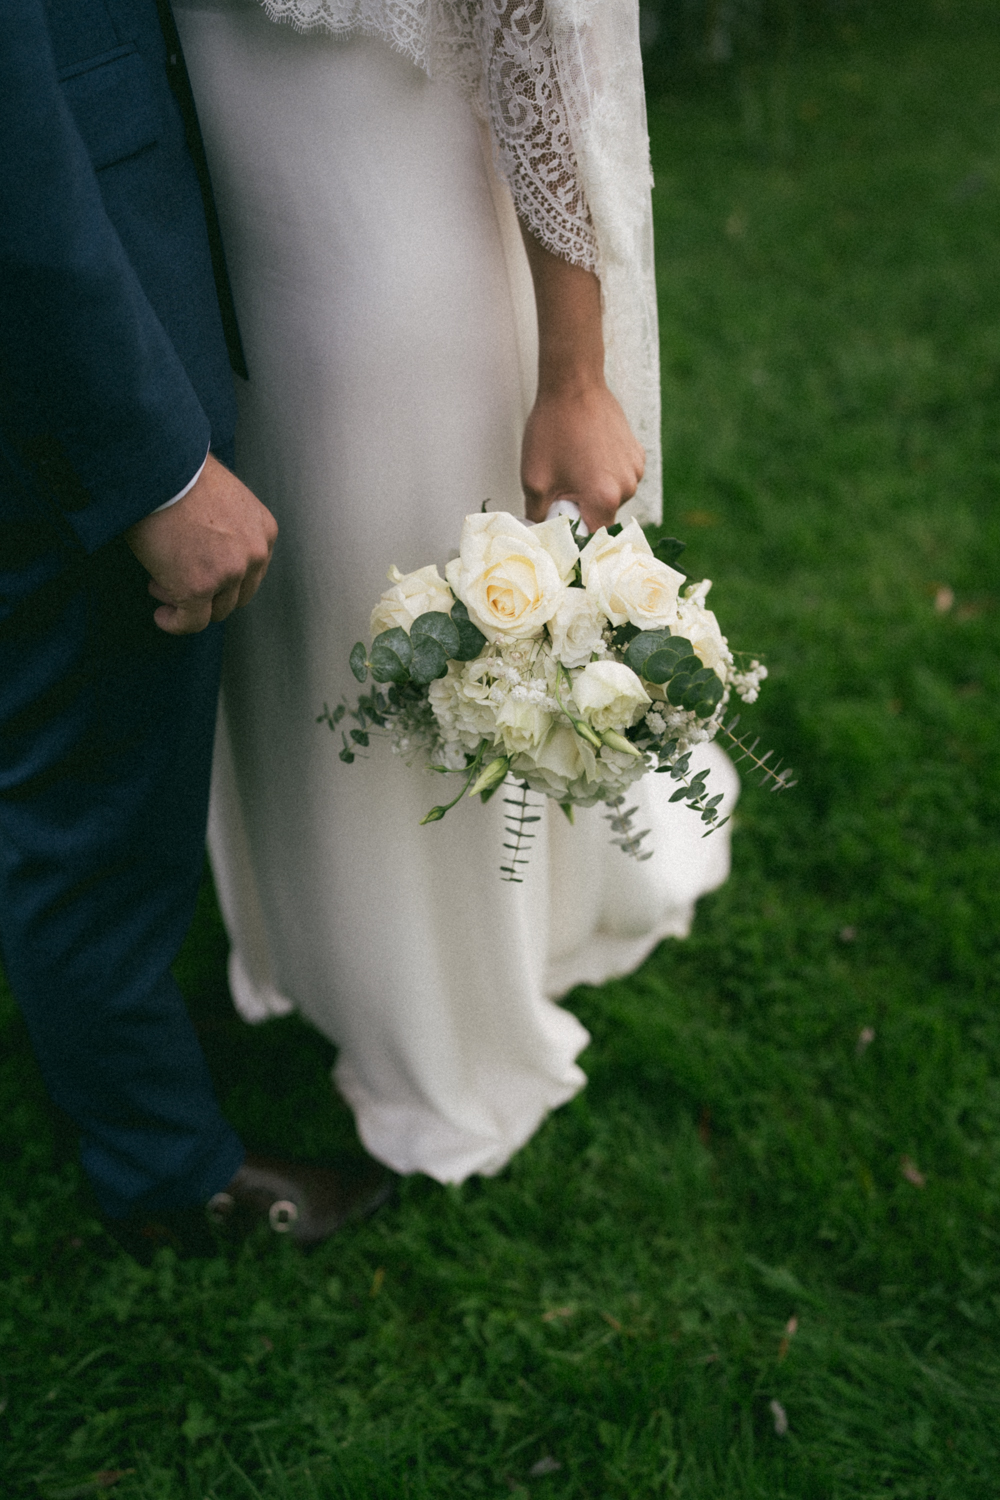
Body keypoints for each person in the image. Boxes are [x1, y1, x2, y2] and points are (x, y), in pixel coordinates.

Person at [172, 0, 741, 1182]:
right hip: (243, 300)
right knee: (303, 645)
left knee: (390, 643)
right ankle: (335, 948)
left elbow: (544, 39)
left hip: (390, 307)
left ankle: (444, 1010)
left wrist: (575, 374)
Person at [0, 0, 391, 1256]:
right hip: (75, 379)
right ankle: (165, 1171)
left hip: (116, 281)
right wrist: (152, 469)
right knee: (97, 809)